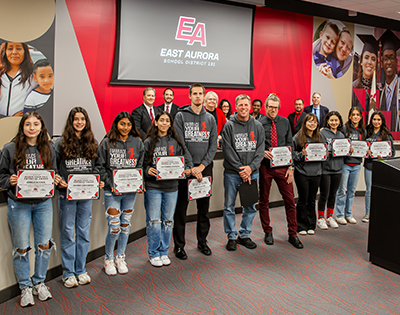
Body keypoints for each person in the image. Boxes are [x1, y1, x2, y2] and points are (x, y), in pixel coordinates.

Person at [0, 112, 61, 307]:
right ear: (22, 127)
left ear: (42, 127)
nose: (32, 128)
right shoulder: (10, 149)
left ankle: (39, 282)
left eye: (36, 124)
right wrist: (8, 180)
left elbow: (55, 172)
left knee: (44, 245)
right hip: (18, 205)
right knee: (21, 248)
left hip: (43, 204)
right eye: (28, 124)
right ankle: (25, 287)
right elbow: (1, 175)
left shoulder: (49, 148)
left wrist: (57, 180)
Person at [55, 107, 103, 288]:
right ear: (71, 121)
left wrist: (97, 180)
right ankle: (68, 273)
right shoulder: (60, 144)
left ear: (87, 121)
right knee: (68, 233)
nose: (79, 122)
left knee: (83, 232)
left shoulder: (93, 141)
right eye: (76, 119)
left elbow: (97, 166)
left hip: (86, 196)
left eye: (82, 119)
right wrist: (58, 180)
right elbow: (54, 167)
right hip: (67, 195)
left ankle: (80, 269)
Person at [173, 83, 217, 260]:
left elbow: (213, 145)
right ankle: (179, 246)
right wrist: (191, 167)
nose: (198, 96)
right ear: (190, 96)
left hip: (205, 169)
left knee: (203, 209)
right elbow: (180, 143)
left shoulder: (211, 118)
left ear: (204, 96)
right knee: (181, 209)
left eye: (201, 94)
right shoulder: (180, 116)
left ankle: (202, 242)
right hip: (186, 169)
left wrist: (202, 166)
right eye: (195, 94)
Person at [97, 112, 144, 275]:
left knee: (125, 225)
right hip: (112, 192)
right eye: (122, 124)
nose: (125, 127)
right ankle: (108, 258)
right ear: (116, 124)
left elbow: (140, 166)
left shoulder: (138, 142)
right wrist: (110, 184)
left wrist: (139, 182)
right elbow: (100, 166)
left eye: (129, 124)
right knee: (114, 227)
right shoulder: (107, 142)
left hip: (130, 192)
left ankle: (120, 256)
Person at [143, 111, 190, 267]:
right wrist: (147, 170)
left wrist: (184, 169)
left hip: (172, 188)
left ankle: (164, 251)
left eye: (167, 121)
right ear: (155, 122)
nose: (164, 123)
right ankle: (153, 253)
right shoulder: (148, 142)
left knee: (168, 221)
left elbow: (185, 162)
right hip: (153, 187)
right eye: (161, 120)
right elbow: (141, 164)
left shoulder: (176, 142)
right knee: (154, 222)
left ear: (170, 124)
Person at [258, 93, 303, 249]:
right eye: (270, 107)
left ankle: (293, 234)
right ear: (266, 107)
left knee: (290, 201)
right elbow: (255, 144)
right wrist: (262, 151)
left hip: (284, 167)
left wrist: (291, 167)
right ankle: (268, 231)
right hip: (265, 166)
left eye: (276, 107)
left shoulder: (284, 122)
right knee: (264, 200)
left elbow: (290, 144)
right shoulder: (258, 123)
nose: (273, 110)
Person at [221, 94, 264, 251]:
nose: (244, 108)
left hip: (252, 173)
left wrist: (250, 168)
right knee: (229, 206)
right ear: (236, 106)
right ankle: (231, 236)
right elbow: (227, 150)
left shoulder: (258, 126)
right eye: (241, 105)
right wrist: (241, 168)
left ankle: (244, 235)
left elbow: (260, 150)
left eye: (246, 105)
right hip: (233, 173)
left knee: (250, 206)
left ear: (250, 106)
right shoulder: (229, 126)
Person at [293, 113, 325, 235]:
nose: (312, 124)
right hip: (302, 173)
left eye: (314, 122)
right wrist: (302, 154)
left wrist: (325, 155)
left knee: (312, 199)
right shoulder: (297, 137)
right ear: (305, 123)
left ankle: (311, 225)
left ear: (317, 124)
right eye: (309, 121)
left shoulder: (320, 137)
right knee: (303, 199)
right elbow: (293, 156)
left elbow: (325, 154)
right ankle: (301, 226)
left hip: (316, 173)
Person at [335, 107, 366, 225]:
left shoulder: (363, 130)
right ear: (349, 116)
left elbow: (365, 145)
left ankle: (348, 213)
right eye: (353, 115)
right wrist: (347, 148)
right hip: (345, 164)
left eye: (357, 115)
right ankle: (339, 214)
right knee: (342, 190)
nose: (355, 117)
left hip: (357, 164)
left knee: (352, 190)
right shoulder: (344, 129)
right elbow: (339, 145)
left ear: (361, 117)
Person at [363, 111, 395, 222]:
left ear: (382, 121)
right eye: (374, 119)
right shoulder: (367, 132)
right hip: (369, 165)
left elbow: (392, 153)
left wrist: (384, 155)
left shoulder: (386, 134)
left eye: (379, 119)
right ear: (371, 120)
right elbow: (361, 148)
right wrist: (365, 151)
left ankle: (381, 212)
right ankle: (368, 213)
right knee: (369, 190)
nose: (376, 122)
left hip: (382, 167)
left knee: (381, 190)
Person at [317, 111, 345, 230]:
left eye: (336, 120)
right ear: (327, 121)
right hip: (325, 169)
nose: (334, 122)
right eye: (331, 120)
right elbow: (317, 149)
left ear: (339, 122)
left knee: (333, 194)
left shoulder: (341, 135)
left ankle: (329, 216)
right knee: (324, 194)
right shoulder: (322, 133)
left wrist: (349, 149)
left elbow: (344, 151)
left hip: (338, 169)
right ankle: (320, 218)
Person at [0, 42, 36, 117]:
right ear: (5, 52)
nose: (14, 52)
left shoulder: (33, 76)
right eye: (10, 48)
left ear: (25, 52)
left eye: (19, 48)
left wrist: (26, 113)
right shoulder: (1, 74)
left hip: (20, 123)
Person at [378, 30, 400, 131]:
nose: (389, 62)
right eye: (386, 59)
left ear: (396, 61)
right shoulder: (379, 90)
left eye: (392, 58)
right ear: (382, 63)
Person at [352, 35, 379, 115]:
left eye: (373, 59)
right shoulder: (354, 87)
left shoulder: (379, 89)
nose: (370, 62)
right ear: (361, 61)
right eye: (366, 57)